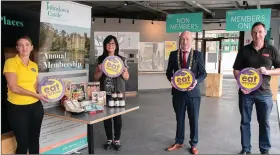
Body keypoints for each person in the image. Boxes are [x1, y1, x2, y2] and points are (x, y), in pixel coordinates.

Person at [233, 22, 280, 154]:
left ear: (265, 33)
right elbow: (236, 70)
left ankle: (264, 150)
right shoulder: (244, 50)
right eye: (254, 32)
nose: (257, 35)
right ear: (251, 34)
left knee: (264, 122)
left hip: (264, 93)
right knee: (245, 122)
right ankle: (246, 149)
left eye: (260, 32)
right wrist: (241, 85)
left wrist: (268, 72)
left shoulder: (272, 50)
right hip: (246, 93)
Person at [3, 36, 48, 154]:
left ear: (31, 47)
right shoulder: (10, 62)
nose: (24, 48)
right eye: (21, 45)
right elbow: (13, 87)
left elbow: (36, 85)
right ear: (17, 48)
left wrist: (45, 91)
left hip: (36, 107)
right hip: (17, 108)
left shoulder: (34, 65)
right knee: (23, 144)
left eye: (27, 45)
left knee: (34, 141)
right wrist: (36, 95)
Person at [165, 31, 207, 154]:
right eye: (183, 39)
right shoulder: (173, 55)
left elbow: (203, 73)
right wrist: (171, 79)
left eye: (187, 39)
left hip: (193, 94)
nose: (185, 41)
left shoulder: (198, 55)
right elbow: (168, 72)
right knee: (180, 118)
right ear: (180, 40)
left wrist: (196, 82)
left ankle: (194, 144)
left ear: (192, 40)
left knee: (194, 119)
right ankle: (178, 141)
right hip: (178, 93)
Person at [94, 35, 129, 151]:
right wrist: (99, 70)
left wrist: (124, 72)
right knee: (106, 117)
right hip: (105, 93)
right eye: (108, 43)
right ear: (105, 46)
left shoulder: (121, 60)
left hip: (117, 93)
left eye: (113, 43)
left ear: (116, 46)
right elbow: (96, 77)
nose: (111, 45)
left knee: (117, 117)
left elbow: (127, 77)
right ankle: (109, 139)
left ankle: (117, 139)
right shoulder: (101, 59)